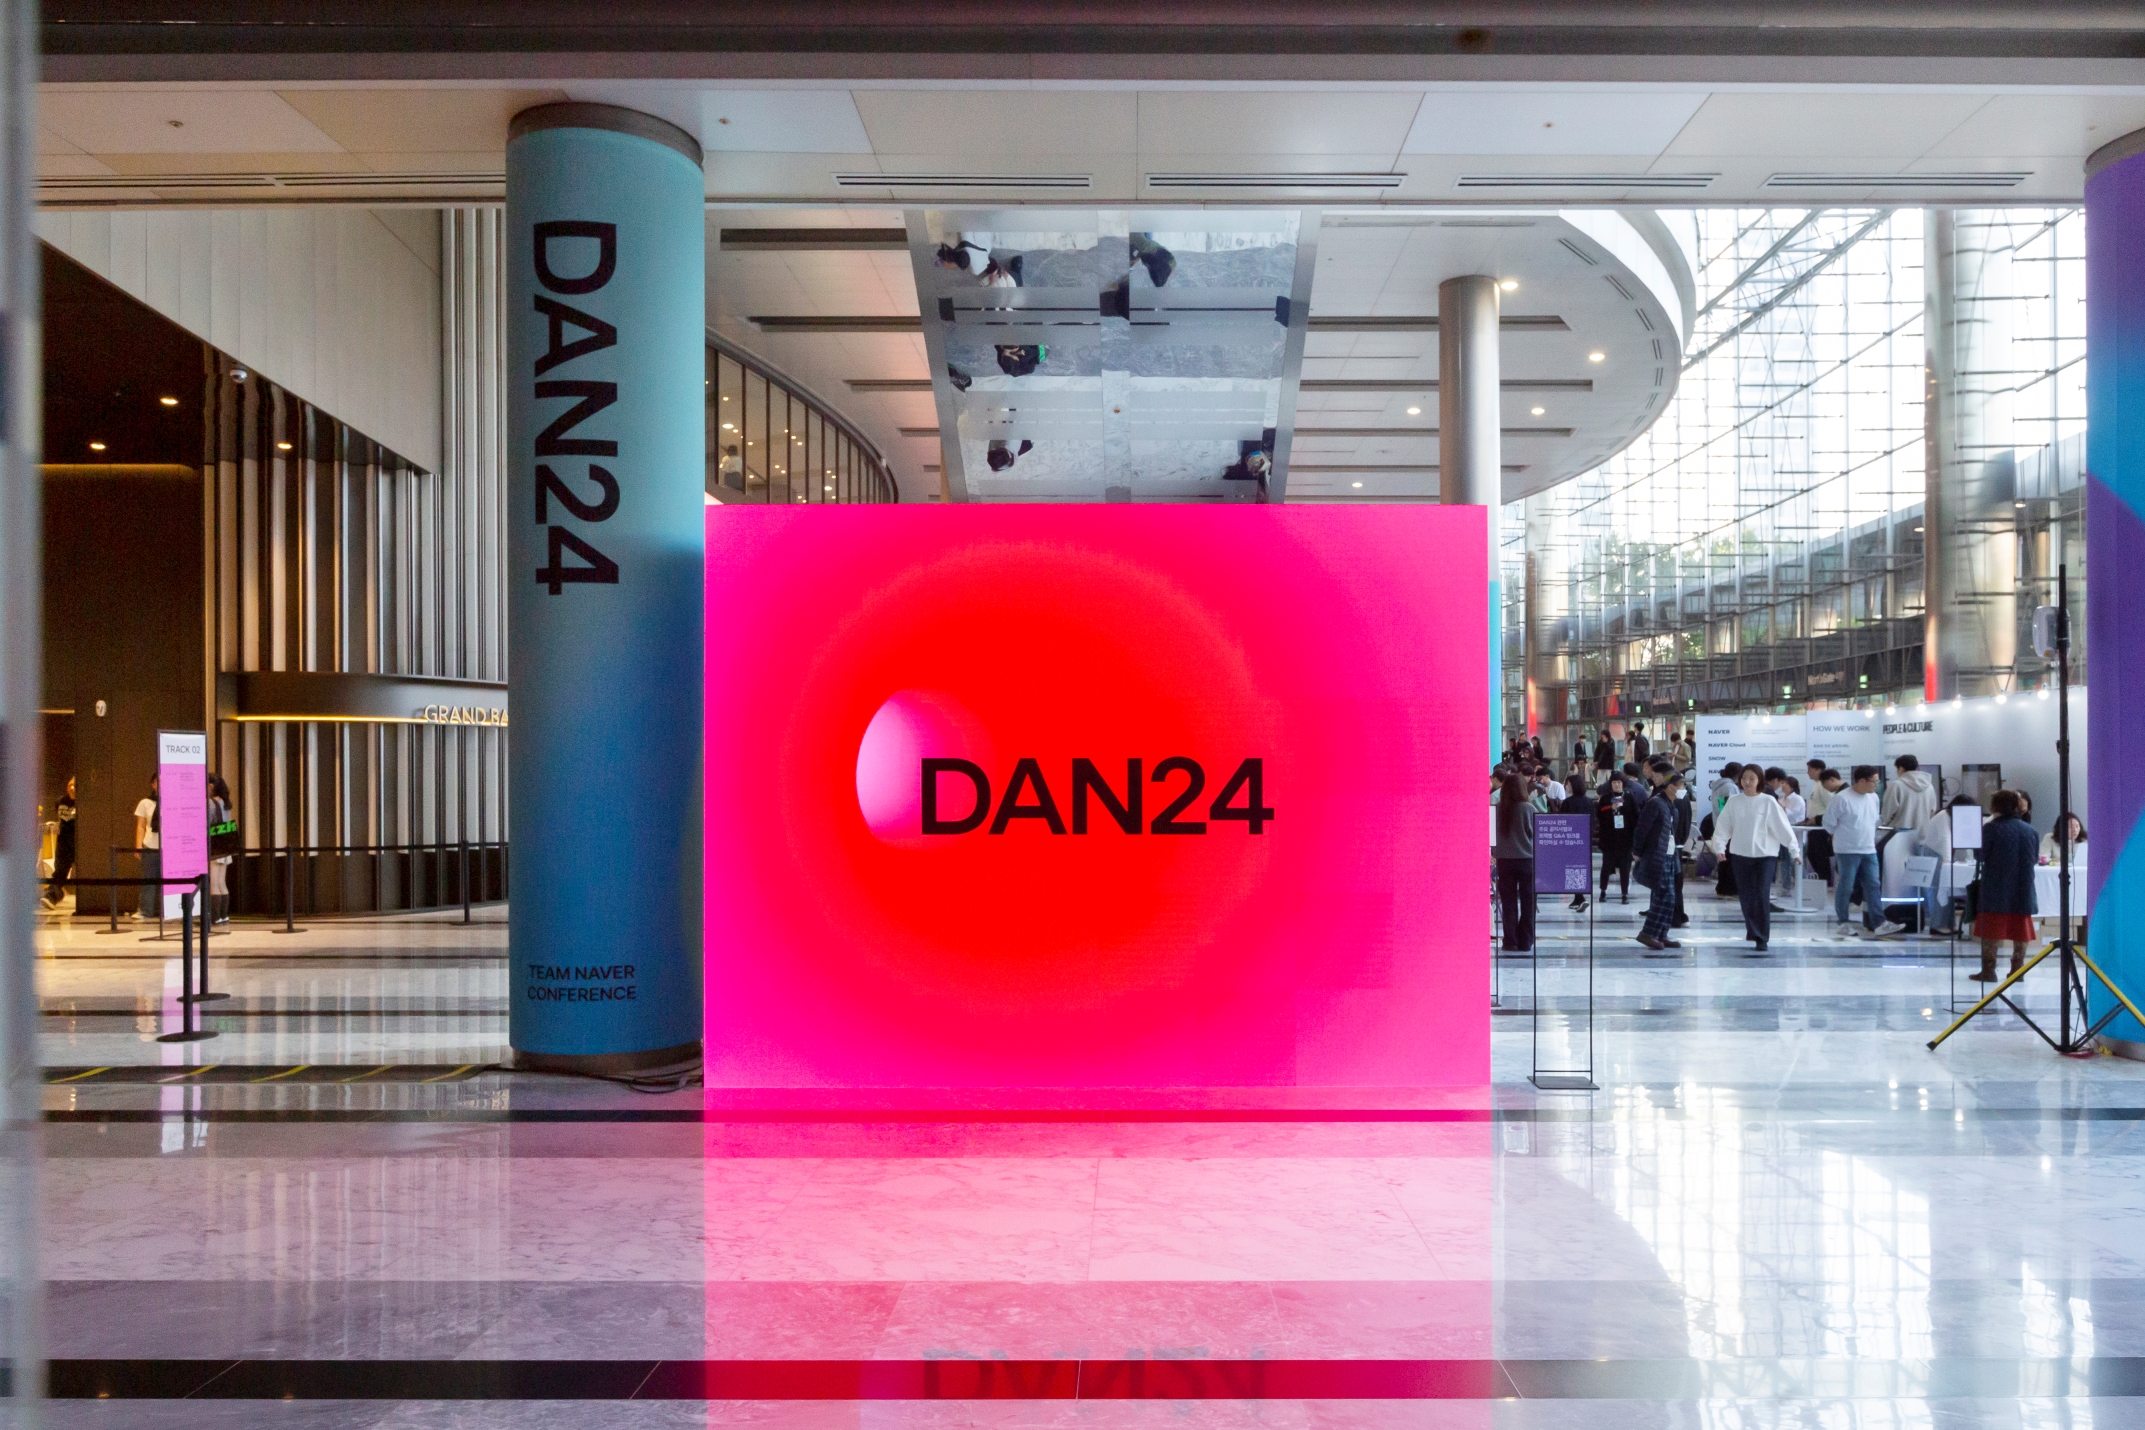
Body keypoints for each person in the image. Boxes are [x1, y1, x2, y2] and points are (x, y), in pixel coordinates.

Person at [1720, 764, 1801, 951]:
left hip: (1765, 856)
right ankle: (1753, 930)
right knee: (1746, 896)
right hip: (1740, 855)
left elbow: (1782, 828)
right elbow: (1724, 825)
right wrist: (1719, 846)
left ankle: (1762, 937)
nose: (1747, 782)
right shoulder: (1733, 801)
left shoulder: (1768, 801)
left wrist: (1794, 851)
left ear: (1759, 781)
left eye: (1752, 778)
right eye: (1744, 778)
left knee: (1761, 894)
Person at [1825, 764, 1905, 936]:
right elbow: (1828, 823)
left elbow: (1874, 820)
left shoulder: (1873, 798)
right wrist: (1843, 838)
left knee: (1873, 885)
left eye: (1878, 782)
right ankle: (1842, 923)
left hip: (1869, 848)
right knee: (1846, 886)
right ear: (1861, 781)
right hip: (1847, 850)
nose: (1876, 785)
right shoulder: (1841, 798)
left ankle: (1879, 922)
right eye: (1873, 782)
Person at [1971, 789, 2040, 982]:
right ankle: (2017, 970)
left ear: (1995, 806)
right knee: (2021, 929)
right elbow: (2034, 858)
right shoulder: (2031, 831)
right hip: (2023, 886)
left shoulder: (1991, 828)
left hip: (1996, 885)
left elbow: (1980, 856)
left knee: (1991, 928)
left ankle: (1988, 970)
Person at [1632, 758, 1681, 951]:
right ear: (1670, 786)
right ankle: (1648, 933)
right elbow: (1642, 829)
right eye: (1679, 785)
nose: (1682, 789)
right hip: (1657, 855)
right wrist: (1637, 852)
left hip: (1669, 855)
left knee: (1670, 897)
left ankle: (1661, 933)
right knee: (1663, 896)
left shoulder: (1670, 805)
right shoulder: (1655, 803)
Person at [1920, 793, 1976, 936]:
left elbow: (1965, 837)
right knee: (1940, 889)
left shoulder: (1954, 816)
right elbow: (1945, 838)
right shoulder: (1943, 816)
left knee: (1948, 889)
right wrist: (1946, 859)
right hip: (1935, 853)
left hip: (1945, 854)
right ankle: (1937, 925)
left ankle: (1948, 924)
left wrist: (1969, 856)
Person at [1493, 772, 1537, 953]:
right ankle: (1526, 941)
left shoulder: (1497, 809)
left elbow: (1492, 836)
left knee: (1508, 901)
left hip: (1504, 861)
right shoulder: (1528, 808)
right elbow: (1535, 834)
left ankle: (1510, 940)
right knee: (1528, 902)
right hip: (1527, 860)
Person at [1595, 772, 1634, 904]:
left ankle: (1624, 893)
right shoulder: (1606, 798)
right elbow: (1599, 814)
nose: (1616, 785)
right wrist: (1610, 808)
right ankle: (1603, 890)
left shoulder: (1629, 797)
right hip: (1609, 838)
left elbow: (1635, 816)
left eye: (1619, 782)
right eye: (1614, 783)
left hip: (1625, 839)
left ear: (1623, 784)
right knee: (1606, 866)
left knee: (1625, 867)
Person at [1881, 753, 1938, 833]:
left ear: (1901, 768)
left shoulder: (1896, 786)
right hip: (1923, 832)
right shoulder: (1929, 786)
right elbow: (1932, 810)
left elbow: (1888, 812)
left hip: (1899, 834)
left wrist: (1884, 824)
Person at [1805, 768, 1843, 886]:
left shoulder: (1841, 795)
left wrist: (1817, 819)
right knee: (1814, 854)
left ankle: (1825, 881)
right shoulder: (1819, 786)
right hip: (1821, 825)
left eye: (1810, 769)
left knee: (1820, 855)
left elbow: (1832, 811)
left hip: (1824, 827)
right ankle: (1823, 882)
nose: (1808, 772)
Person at [43, 775, 77, 908]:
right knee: (60, 869)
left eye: (75, 786)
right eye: (70, 785)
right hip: (63, 840)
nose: (72, 788)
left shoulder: (83, 803)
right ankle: (53, 896)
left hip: (79, 840)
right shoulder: (60, 801)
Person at [133, 773, 161, 921]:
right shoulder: (145, 802)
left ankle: (171, 911)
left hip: (170, 846)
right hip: (150, 845)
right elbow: (141, 826)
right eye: (158, 782)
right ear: (153, 785)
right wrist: (138, 846)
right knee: (148, 880)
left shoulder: (174, 802)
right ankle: (144, 910)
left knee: (170, 881)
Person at [208, 773, 235, 925]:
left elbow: (207, 822)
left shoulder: (210, 803)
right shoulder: (225, 802)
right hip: (225, 845)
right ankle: (223, 915)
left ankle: (215, 917)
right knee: (221, 882)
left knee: (214, 883)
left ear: (211, 786)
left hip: (214, 846)